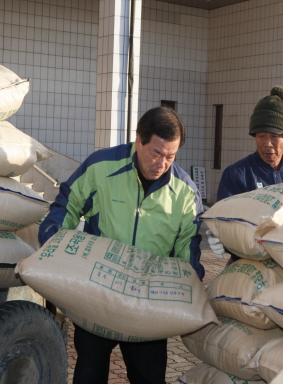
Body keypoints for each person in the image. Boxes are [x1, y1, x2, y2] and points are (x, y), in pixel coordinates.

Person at [38, 106, 204, 384]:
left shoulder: (185, 193)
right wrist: (54, 245)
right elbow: (66, 207)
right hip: (97, 296)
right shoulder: (101, 167)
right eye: (156, 153)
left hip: (147, 307)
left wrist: (191, 287)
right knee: (90, 374)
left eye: (171, 157)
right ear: (138, 141)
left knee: (149, 377)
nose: (162, 163)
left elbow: (188, 248)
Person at [208, 86, 283, 259]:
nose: (267, 143)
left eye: (274, 136)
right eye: (261, 136)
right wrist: (219, 237)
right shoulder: (237, 174)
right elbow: (225, 224)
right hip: (248, 264)